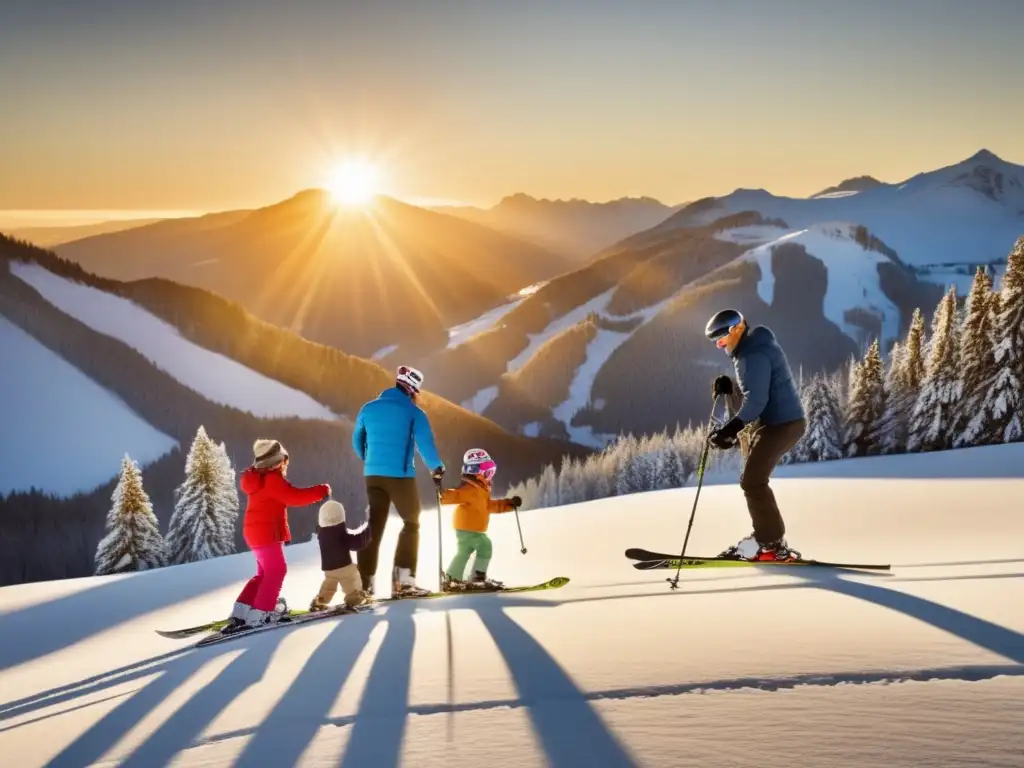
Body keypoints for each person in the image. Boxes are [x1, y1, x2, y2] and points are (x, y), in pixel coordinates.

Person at [703, 309, 806, 562]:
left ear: (735, 330)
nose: (719, 345)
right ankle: (770, 540)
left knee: (753, 481)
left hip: (783, 424)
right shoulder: (753, 345)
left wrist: (730, 430)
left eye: (720, 339)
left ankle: (771, 544)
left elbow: (757, 400)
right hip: (778, 422)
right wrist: (730, 386)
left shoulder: (752, 355)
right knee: (752, 479)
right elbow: (757, 388)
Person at [352, 365, 445, 598]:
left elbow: (357, 439)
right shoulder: (414, 413)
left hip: (372, 475)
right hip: (400, 477)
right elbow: (426, 445)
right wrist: (437, 468)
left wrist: (369, 459)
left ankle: (363, 583)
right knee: (411, 523)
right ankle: (403, 581)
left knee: (374, 525)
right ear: (413, 390)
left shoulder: (368, 408)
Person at [227, 439, 331, 631]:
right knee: (276, 571)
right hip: (266, 534)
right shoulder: (272, 480)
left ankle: (241, 612)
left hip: (255, 533)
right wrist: (321, 491)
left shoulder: (257, 478)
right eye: (283, 460)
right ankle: (262, 613)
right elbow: (295, 497)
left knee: (263, 574)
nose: (285, 464)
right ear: (275, 462)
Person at [440, 449, 522, 591]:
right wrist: (441, 493)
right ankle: (477, 579)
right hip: (467, 528)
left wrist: (509, 504)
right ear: (473, 470)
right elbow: (454, 495)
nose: (489, 474)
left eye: (491, 470)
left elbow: (489, 506)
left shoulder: (481, 490)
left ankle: (452, 579)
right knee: (485, 545)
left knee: (463, 552)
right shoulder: (470, 489)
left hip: (467, 527)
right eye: (486, 470)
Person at [309, 499, 374, 611]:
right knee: (352, 579)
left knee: (329, 586)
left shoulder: (321, 533)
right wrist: (368, 532)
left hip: (328, 568)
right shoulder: (339, 532)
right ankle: (355, 598)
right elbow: (357, 543)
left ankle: (320, 601)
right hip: (344, 566)